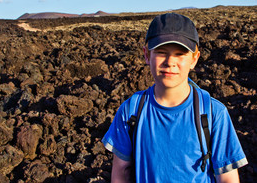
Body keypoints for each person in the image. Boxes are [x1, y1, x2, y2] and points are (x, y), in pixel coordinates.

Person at [102, 13, 248, 182]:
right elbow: (121, 172)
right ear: (146, 55)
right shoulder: (130, 111)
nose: (170, 62)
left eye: (180, 54)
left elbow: (227, 178)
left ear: (194, 59)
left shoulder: (213, 113)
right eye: (161, 52)